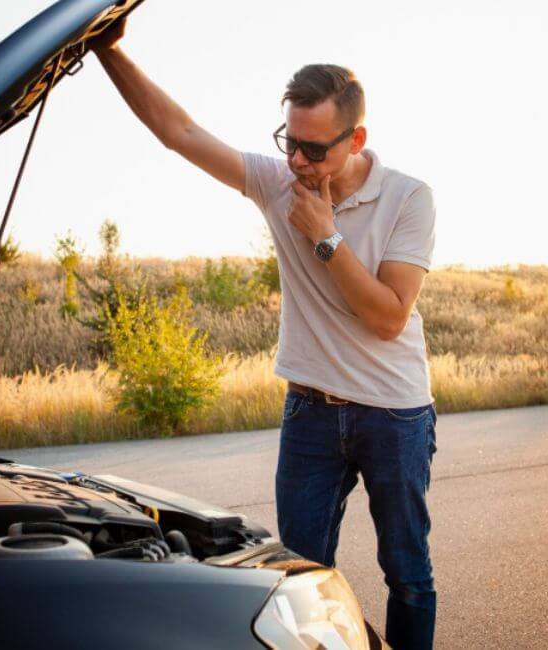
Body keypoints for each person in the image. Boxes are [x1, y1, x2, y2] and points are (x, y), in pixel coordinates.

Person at [92, 19, 438, 649]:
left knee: (407, 575)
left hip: (394, 413)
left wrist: (325, 236)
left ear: (356, 138)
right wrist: (107, 49)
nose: (299, 162)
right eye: (290, 143)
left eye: (315, 149)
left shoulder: (410, 198)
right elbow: (180, 132)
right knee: (296, 578)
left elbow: (389, 317)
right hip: (309, 411)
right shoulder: (278, 181)